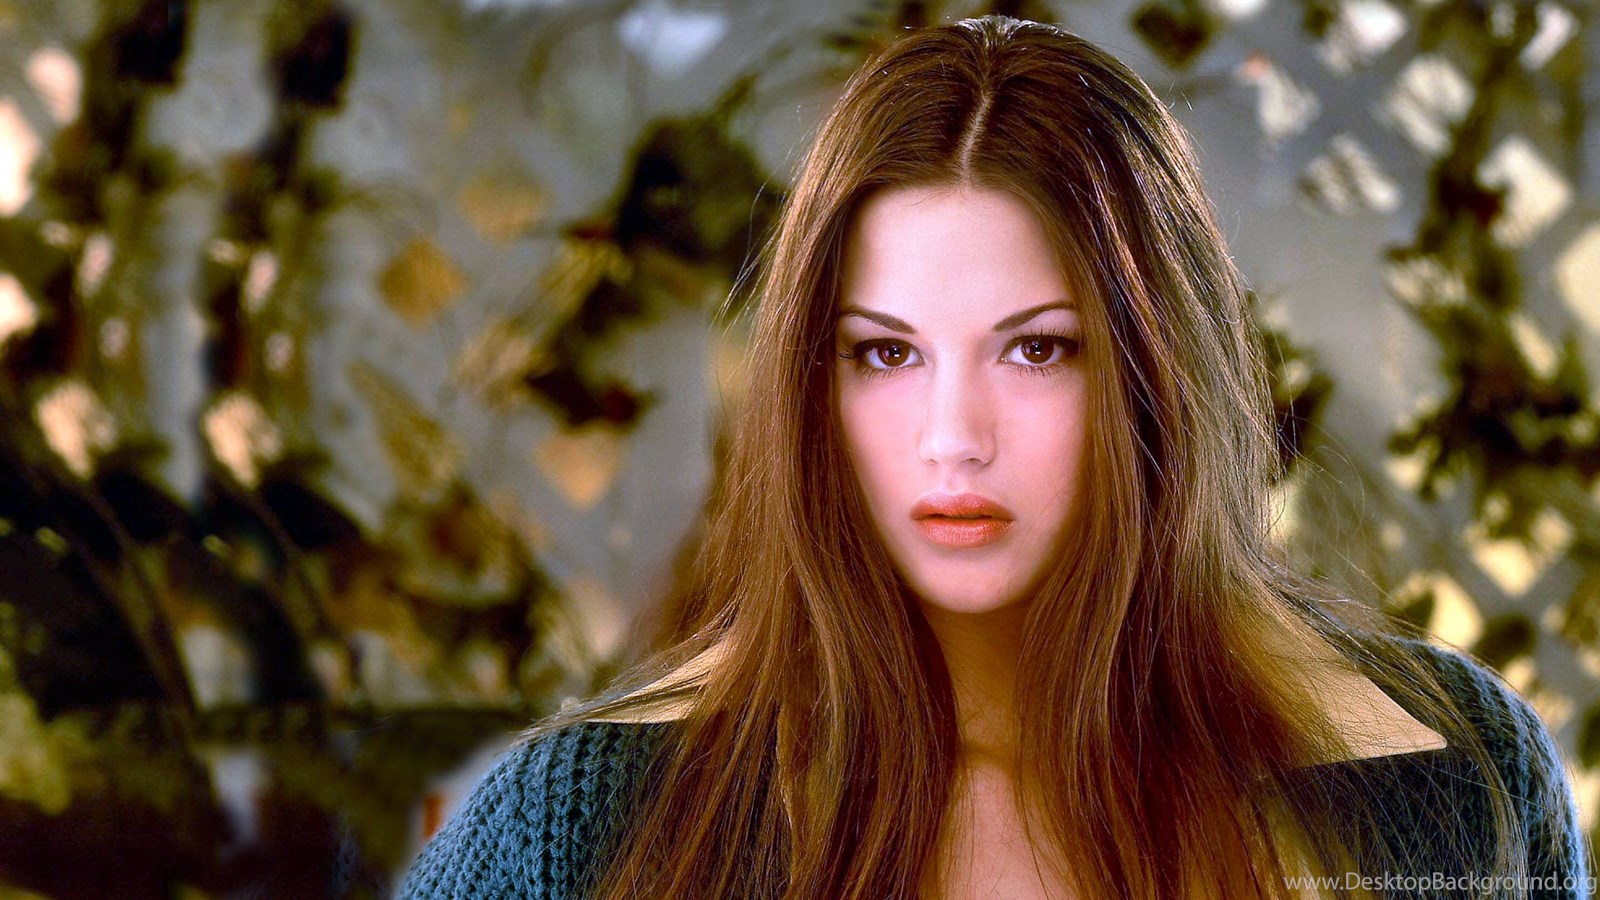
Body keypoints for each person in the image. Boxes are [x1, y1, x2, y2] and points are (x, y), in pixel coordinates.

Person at [398, 14, 1589, 899]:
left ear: (1155, 373)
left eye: (1037, 351)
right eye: (884, 354)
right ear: (809, 385)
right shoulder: (578, 829)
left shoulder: (1452, 785)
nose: (952, 437)